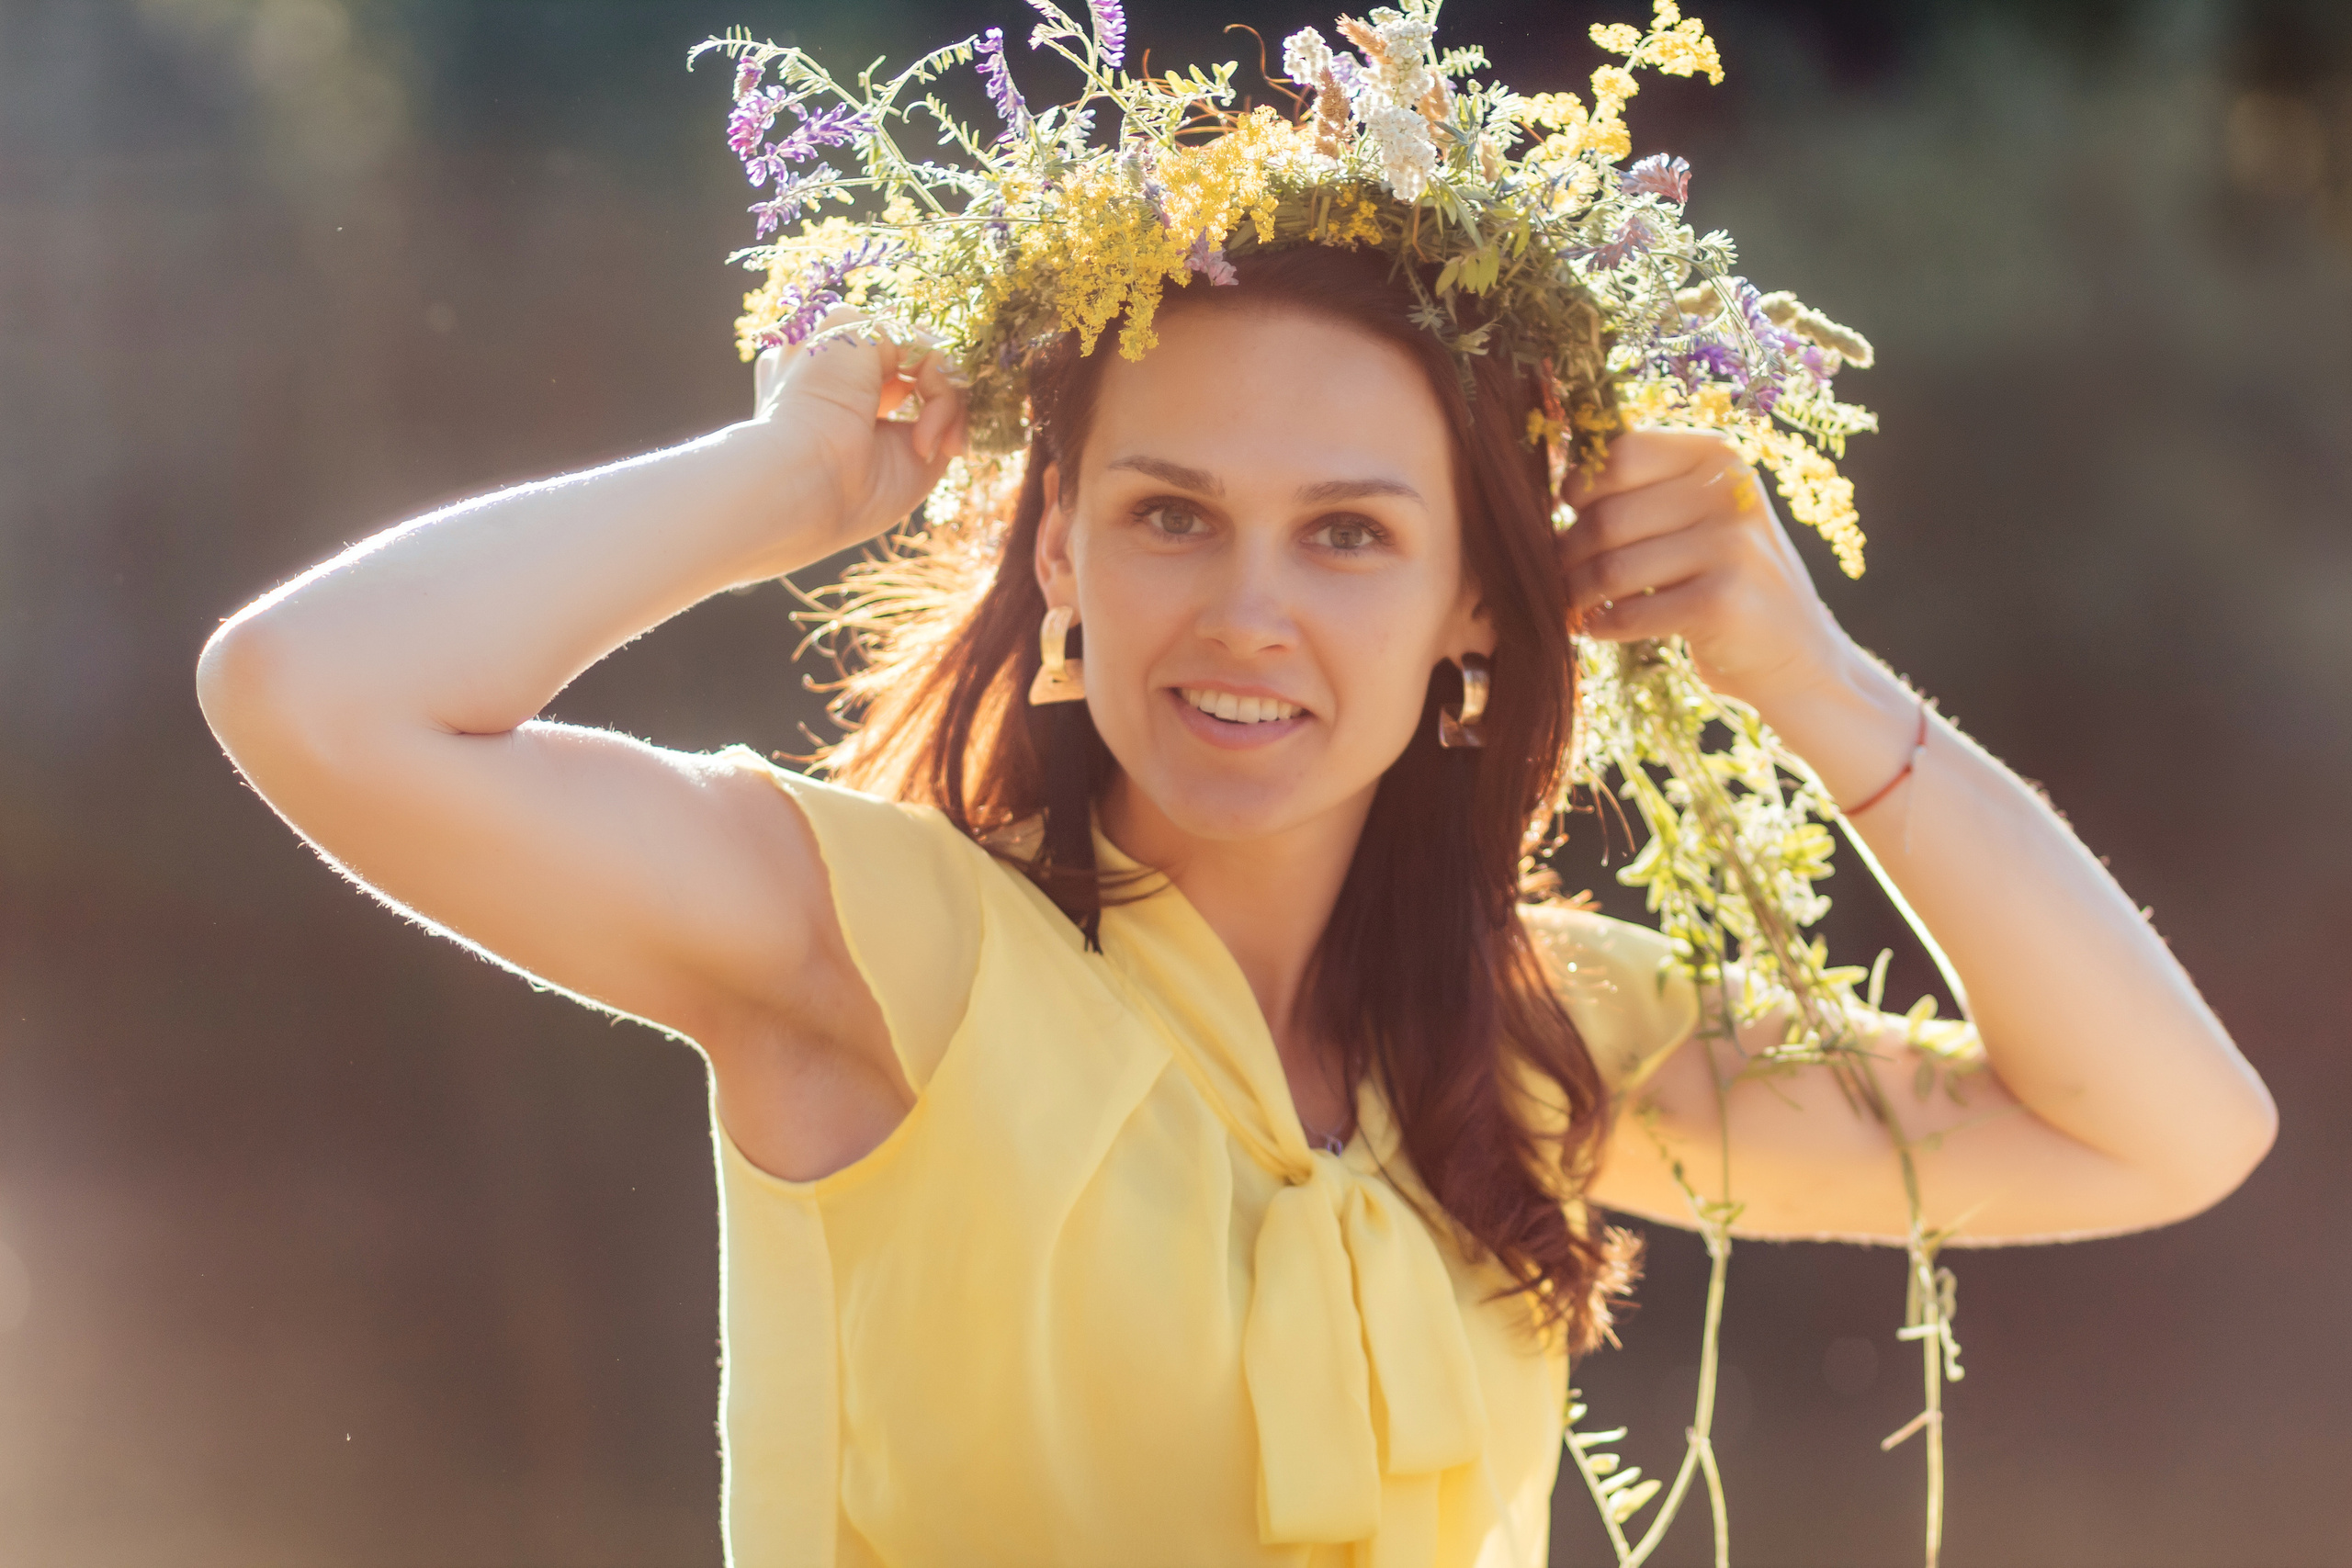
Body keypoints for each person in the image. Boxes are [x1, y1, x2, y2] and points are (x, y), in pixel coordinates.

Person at [195, 24, 2275, 1568]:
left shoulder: (1542, 1040)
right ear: (1062, 561)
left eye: (1349, 534)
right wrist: (777, 490)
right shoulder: (863, 944)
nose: (1244, 615)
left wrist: (1808, 680)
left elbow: (2161, 1127)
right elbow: (312, 695)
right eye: (1170, 513)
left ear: (1477, 597)